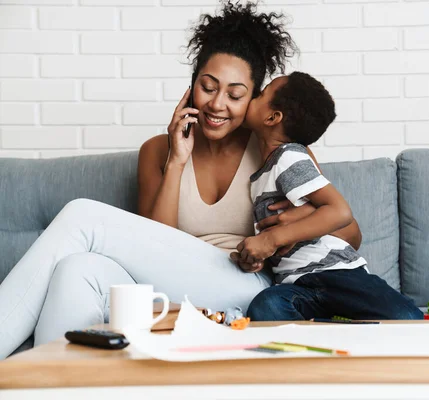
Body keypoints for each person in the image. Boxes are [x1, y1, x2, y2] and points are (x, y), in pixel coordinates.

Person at [0, 2, 362, 359]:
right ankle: (51, 384)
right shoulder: (158, 151)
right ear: (191, 87)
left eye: (235, 95)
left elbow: (350, 233)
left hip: (244, 286)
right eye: (208, 87)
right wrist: (176, 160)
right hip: (169, 288)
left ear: (254, 100)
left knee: (81, 216)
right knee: (76, 269)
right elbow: (152, 244)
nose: (217, 104)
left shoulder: (277, 151)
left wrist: (286, 226)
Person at [235, 72, 423, 321]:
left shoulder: (289, 157)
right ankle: (333, 327)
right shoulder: (262, 174)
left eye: (261, 93)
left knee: (407, 319)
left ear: (272, 117)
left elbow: (339, 211)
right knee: (265, 307)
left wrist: (270, 239)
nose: (252, 96)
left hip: (335, 273)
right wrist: (258, 257)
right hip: (298, 284)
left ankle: (334, 328)